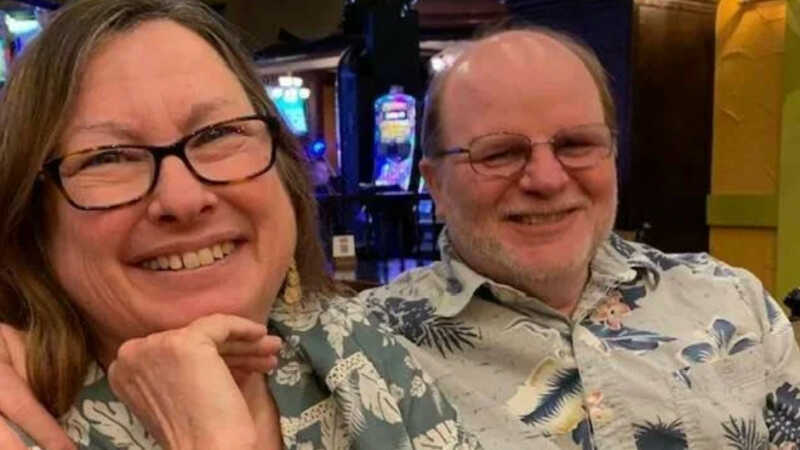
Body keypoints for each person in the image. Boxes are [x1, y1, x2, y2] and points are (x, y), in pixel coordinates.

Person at [0, 1, 479, 449]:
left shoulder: (357, 342)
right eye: (108, 158)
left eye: (218, 134)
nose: (183, 199)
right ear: (33, 219)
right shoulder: (22, 419)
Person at [356, 28, 800, 449]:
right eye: (500, 153)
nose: (547, 179)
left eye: (576, 144)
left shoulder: (733, 299)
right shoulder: (360, 348)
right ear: (435, 184)